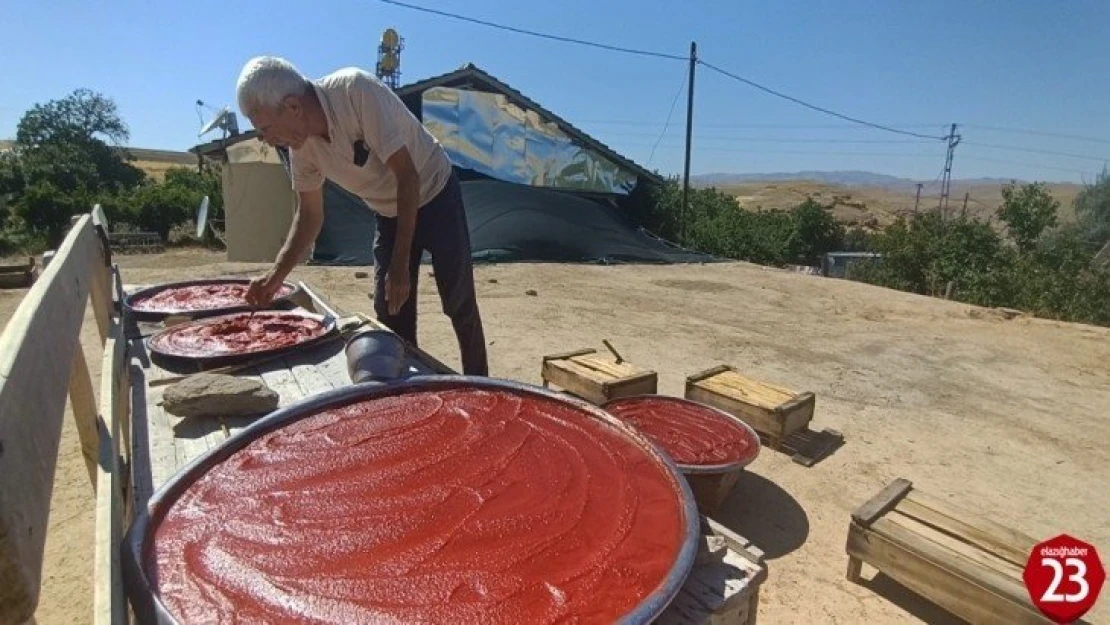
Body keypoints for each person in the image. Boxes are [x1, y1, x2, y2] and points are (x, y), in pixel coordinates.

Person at [237, 56, 488, 376]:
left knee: (458, 302)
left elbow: (408, 176)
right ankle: (408, 391)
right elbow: (309, 216)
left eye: (266, 128)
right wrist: (275, 278)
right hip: (387, 211)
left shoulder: (356, 92)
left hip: (434, 190)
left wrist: (400, 265)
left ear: (293, 107)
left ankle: (482, 384)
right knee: (390, 313)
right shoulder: (301, 149)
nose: (266, 139)